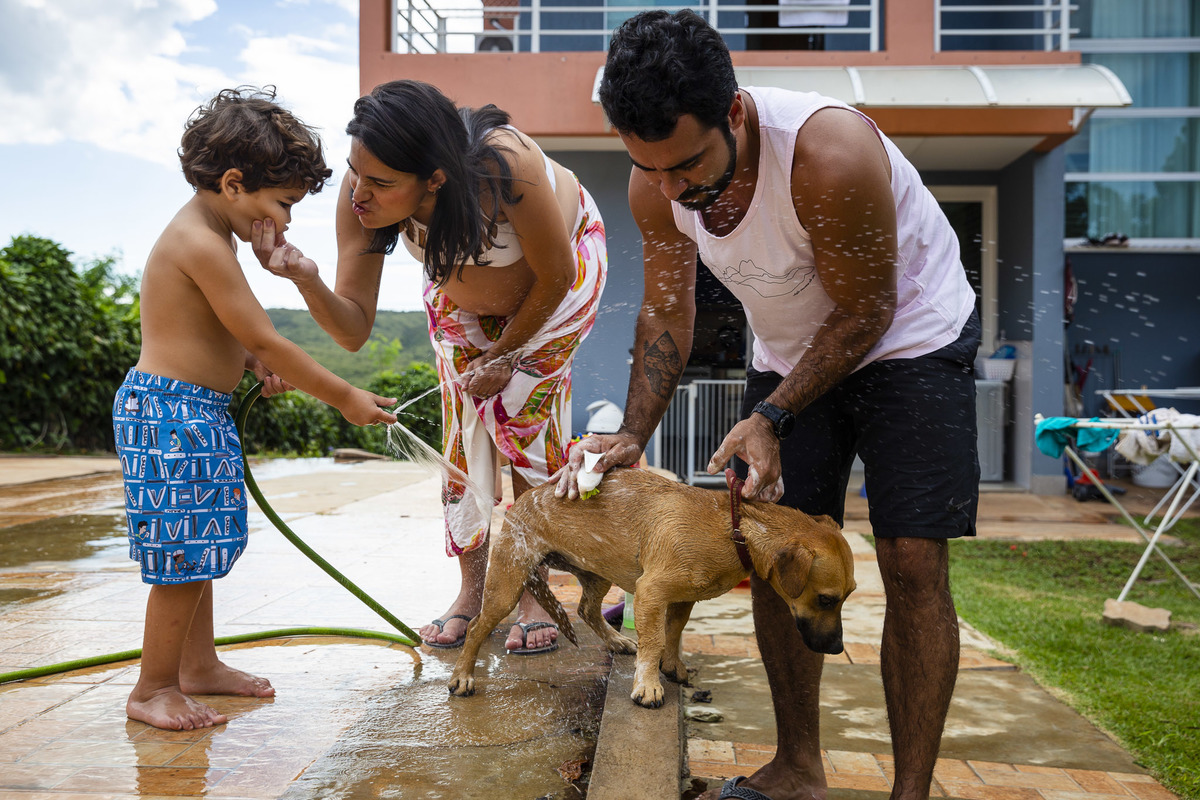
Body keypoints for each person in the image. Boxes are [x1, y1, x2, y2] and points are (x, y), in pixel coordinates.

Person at [558, 10, 980, 800]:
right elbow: (666, 311)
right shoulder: (657, 183)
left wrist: (772, 417)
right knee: (767, 543)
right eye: (651, 169)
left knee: (911, 558)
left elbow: (867, 312)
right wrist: (632, 434)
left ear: (736, 114)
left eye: (688, 164)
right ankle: (797, 770)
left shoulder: (828, 154)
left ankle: (911, 793)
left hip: (913, 338)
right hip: (791, 354)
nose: (671, 189)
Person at [252, 80, 607, 654]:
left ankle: (535, 592)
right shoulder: (362, 194)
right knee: (463, 432)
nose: (359, 192)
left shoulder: (508, 167)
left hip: (561, 283)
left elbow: (558, 276)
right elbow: (352, 331)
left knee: (525, 426)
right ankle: (473, 590)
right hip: (458, 294)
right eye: (356, 172)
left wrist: (505, 353)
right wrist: (305, 280)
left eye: (381, 183)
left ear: (435, 179)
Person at [112, 87, 399, 731]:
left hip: (191, 409)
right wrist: (345, 397)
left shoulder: (214, 236)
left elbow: (217, 332)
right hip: (171, 414)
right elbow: (266, 337)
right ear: (235, 184)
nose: (287, 222)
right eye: (283, 203)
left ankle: (198, 666)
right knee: (182, 557)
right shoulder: (200, 242)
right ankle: (153, 688)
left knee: (199, 545)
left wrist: (245, 361)